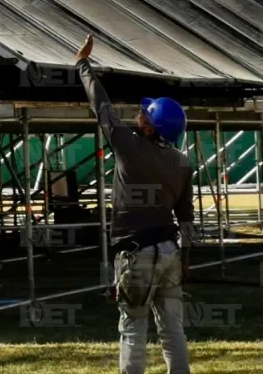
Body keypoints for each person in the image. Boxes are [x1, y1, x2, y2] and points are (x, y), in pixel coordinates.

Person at [76, 33, 194, 374]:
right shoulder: (183, 162)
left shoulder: (128, 146)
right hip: (170, 252)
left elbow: (102, 106)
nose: (138, 116)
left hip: (135, 255)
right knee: (173, 330)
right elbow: (186, 218)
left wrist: (83, 65)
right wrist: (187, 259)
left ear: (149, 127)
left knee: (132, 328)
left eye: (144, 114)